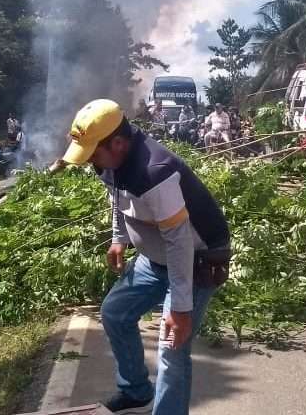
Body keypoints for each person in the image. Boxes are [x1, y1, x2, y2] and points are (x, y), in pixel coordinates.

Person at [48, 99, 231, 415]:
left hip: (196, 261)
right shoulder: (109, 163)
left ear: (118, 143)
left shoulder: (154, 172)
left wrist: (181, 308)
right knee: (116, 313)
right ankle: (136, 391)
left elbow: (180, 243)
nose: (91, 161)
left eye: (94, 152)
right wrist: (119, 239)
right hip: (155, 256)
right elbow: (117, 197)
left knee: (171, 349)